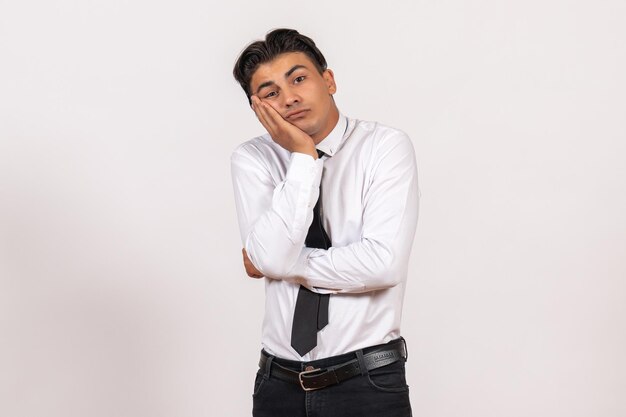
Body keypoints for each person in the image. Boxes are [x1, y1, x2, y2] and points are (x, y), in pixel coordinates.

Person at [231, 28, 419, 417]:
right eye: (270, 93)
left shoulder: (384, 147)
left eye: (298, 79)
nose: (289, 98)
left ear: (328, 80)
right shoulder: (252, 159)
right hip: (277, 384)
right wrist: (303, 157)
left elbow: (383, 263)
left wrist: (282, 263)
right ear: (257, 108)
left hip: (367, 383)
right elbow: (271, 256)